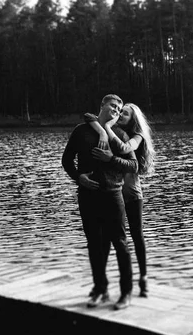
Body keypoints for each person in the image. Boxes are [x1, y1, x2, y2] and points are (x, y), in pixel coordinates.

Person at [61, 94, 137, 310]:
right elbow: (66, 160)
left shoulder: (119, 134)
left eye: (119, 108)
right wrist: (79, 178)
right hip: (87, 197)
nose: (116, 110)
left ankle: (126, 293)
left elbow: (133, 166)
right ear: (102, 105)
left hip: (113, 196)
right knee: (95, 245)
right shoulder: (81, 131)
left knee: (120, 244)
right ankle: (100, 289)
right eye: (112, 105)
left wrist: (110, 159)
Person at [85, 102, 155, 298]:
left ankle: (143, 278)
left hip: (132, 194)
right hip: (114, 194)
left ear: (133, 118)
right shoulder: (112, 131)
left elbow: (125, 148)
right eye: (119, 111)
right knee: (109, 237)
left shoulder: (136, 136)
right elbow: (89, 115)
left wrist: (106, 127)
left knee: (136, 235)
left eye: (125, 113)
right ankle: (104, 285)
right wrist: (102, 125)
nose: (121, 114)